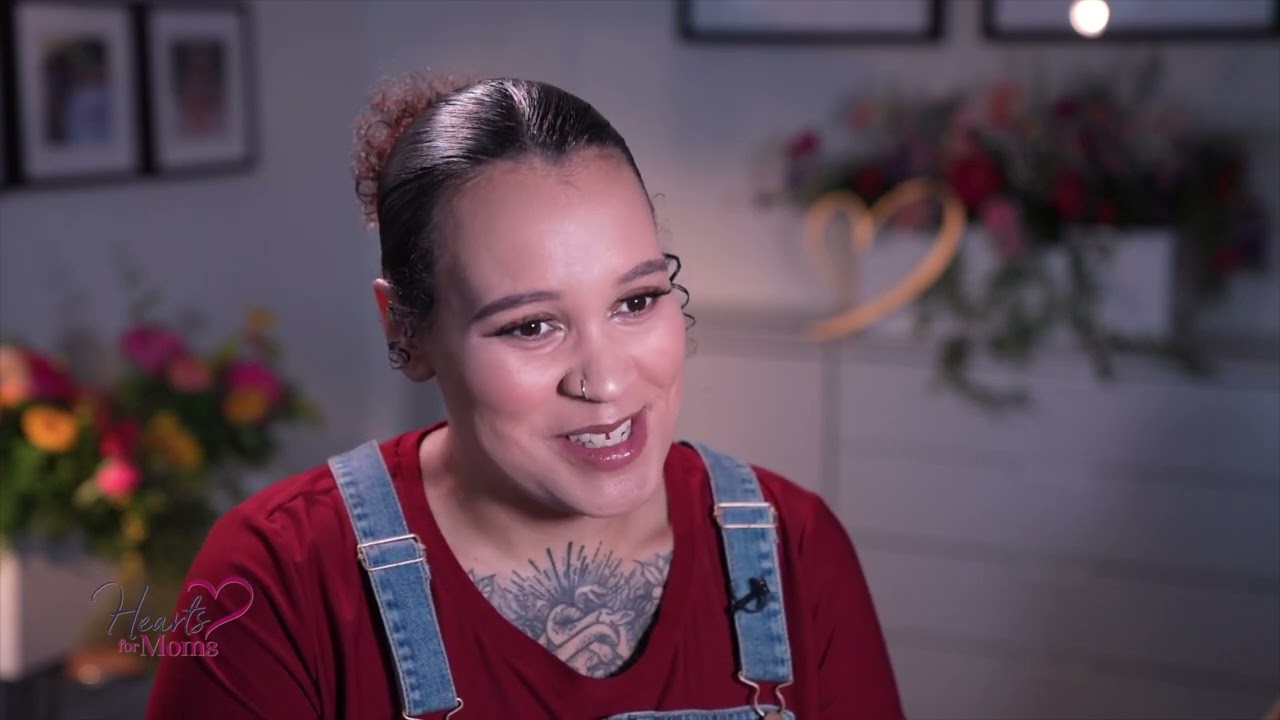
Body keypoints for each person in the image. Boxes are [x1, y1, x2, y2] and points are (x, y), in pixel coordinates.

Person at [145, 72, 904, 720]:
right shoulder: (274, 579)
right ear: (406, 328)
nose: (606, 382)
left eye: (636, 300)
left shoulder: (795, 546)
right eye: (531, 325)